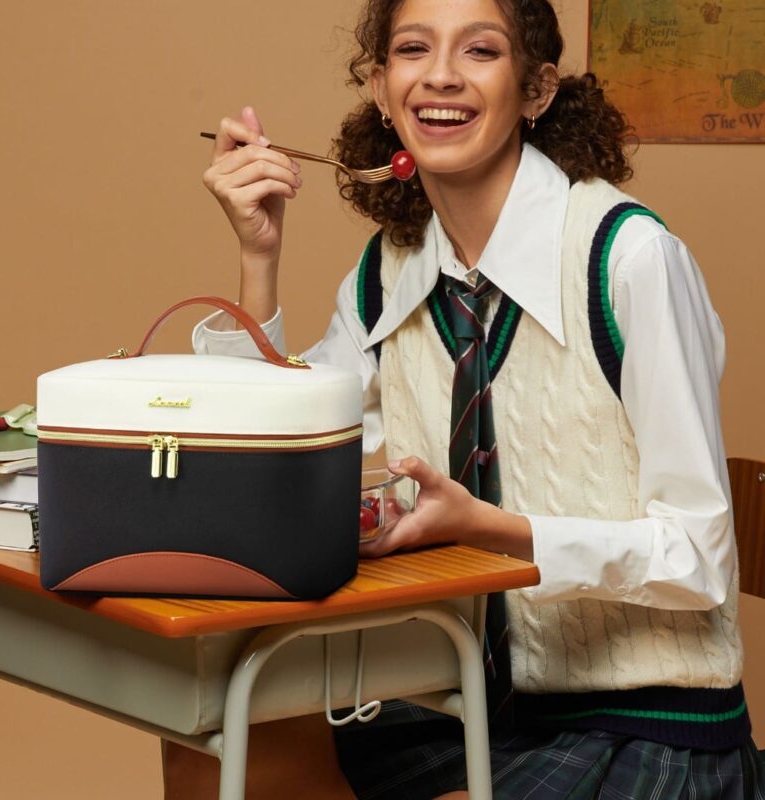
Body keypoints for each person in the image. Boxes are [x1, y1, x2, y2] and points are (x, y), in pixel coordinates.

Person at [184, 0, 764, 797]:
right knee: (214, 744)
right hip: (458, 702)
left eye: (480, 50)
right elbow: (273, 469)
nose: (441, 76)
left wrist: (495, 531)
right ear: (382, 90)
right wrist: (260, 257)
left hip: (645, 724)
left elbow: (701, 557)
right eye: (413, 49)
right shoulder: (387, 274)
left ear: (537, 90)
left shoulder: (630, 261)